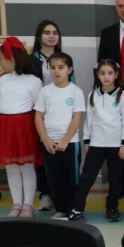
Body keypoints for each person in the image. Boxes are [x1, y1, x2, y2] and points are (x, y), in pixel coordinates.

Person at [69, 59, 124, 223]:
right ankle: (77, 209)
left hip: (116, 145)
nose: (106, 77)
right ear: (97, 75)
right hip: (96, 144)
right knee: (87, 177)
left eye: (110, 73)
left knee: (116, 179)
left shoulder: (123, 95)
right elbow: (89, 121)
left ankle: (112, 208)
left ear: (116, 74)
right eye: (102, 73)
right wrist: (87, 142)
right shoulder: (92, 95)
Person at [33, 52, 84, 220]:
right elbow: (38, 117)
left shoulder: (75, 91)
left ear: (69, 69)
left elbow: (77, 119)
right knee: (54, 178)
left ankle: (74, 209)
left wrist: (65, 141)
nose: (56, 71)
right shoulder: (45, 92)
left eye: (61, 67)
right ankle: (61, 208)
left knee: (71, 178)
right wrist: (46, 139)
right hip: (49, 143)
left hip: (70, 143)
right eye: (53, 68)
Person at [0, 37, 43, 218]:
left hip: (24, 127)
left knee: (27, 165)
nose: (0, 62)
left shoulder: (33, 81)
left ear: (12, 58)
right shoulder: (2, 79)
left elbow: (38, 108)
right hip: (4, 126)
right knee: (11, 166)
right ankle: (16, 202)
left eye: (1, 58)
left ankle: (28, 204)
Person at [31, 19, 72, 212]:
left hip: (60, 115)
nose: (51, 36)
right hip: (39, 113)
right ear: (40, 36)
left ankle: (62, 198)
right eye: (47, 32)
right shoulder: (31, 60)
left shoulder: (63, 59)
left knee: (60, 158)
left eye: (54, 32)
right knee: (42, 155)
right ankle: (45, 194)